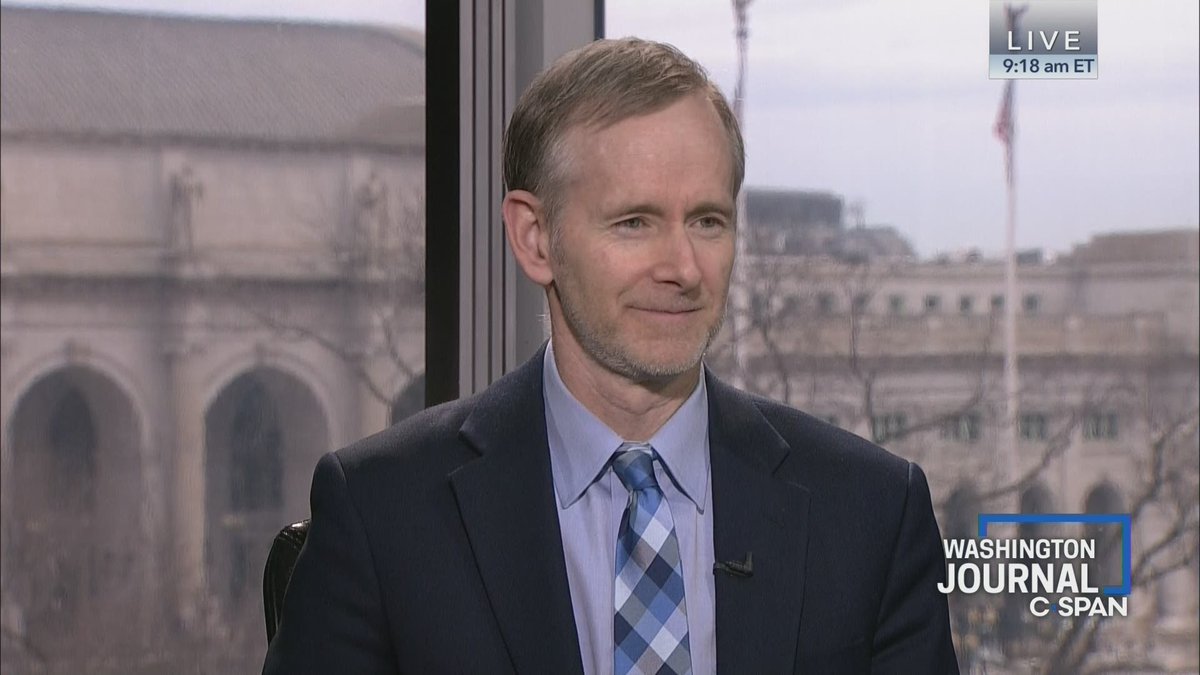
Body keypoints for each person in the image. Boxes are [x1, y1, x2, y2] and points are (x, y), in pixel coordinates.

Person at [263, 38, 958, 674]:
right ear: (535, 239)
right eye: (634, 222)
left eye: (707, 221)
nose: (683, 267)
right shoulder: (383, 511)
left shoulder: (870, 511)